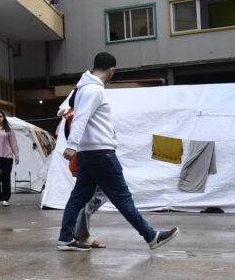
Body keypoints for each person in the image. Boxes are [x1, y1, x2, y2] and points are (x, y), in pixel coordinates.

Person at [57, 52, 179, 251]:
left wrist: (76, 146)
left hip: (89, 154)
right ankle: (151, 236)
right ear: (111, 70)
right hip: (100, 153)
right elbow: (81, 118)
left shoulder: (83, 89)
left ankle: (65, 238)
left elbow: (82, 117)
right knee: (122, 198)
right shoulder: (93, 90)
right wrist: (71, 145)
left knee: (78, 197)